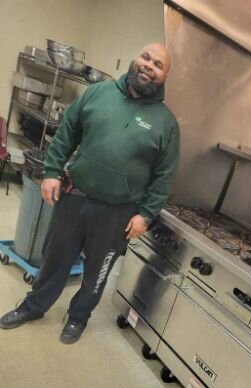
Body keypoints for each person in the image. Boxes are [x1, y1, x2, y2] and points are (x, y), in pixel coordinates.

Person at [0, 43, 180, 344]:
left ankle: (78, 317)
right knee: (54, 258)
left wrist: (146, 215)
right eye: (146, 58)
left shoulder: (166, 123)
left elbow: (165, 175)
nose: (149, 65)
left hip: (119, 211)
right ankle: (33, 307)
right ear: (136, 60)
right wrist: (52, 172)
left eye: (158, 64)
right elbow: (67, 131)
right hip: (75, 195)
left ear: (164, 76)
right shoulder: (99, 93)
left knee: (97, 270)